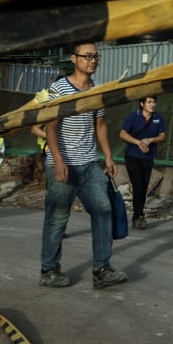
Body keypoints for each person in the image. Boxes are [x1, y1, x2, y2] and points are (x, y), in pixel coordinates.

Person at [40, 43, 128, 289]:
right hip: (63, 164)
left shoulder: (98, 90)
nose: (92, 60)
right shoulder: (59, 89)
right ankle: (49, 270)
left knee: (103, 209)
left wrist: (108, 157)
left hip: (89, 164)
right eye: (86, 56)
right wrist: (57, 160)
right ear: (74, 58)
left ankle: (101, 269)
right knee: (57, 218)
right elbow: (50, 126)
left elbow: (100, 124)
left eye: (95, 56)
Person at [119, 96, 167, 229]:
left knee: (144, 188)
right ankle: (138, 216)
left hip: (148, 158)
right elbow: (122, 134)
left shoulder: (158, 117)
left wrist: (150, 140)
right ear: (142, 103)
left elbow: (162, 136)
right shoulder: (133, 116)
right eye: (149, 102)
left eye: (154, 102)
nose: (152, 105)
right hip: (133, 157)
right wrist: (138, 142)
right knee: (138, 186)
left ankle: (138, 215)